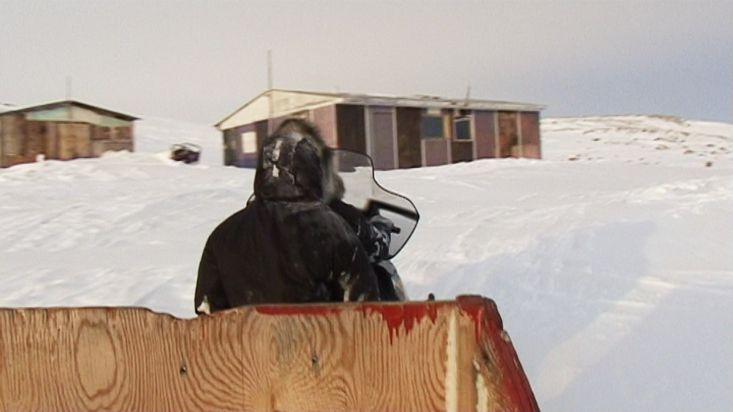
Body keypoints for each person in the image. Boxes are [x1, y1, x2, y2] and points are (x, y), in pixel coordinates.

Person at [194, 119, 379, 314]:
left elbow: (208, 316)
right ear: (313, 167)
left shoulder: (223, 235)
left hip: (246, 343)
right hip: (319, 343)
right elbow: (365, 312)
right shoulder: (335, 231)